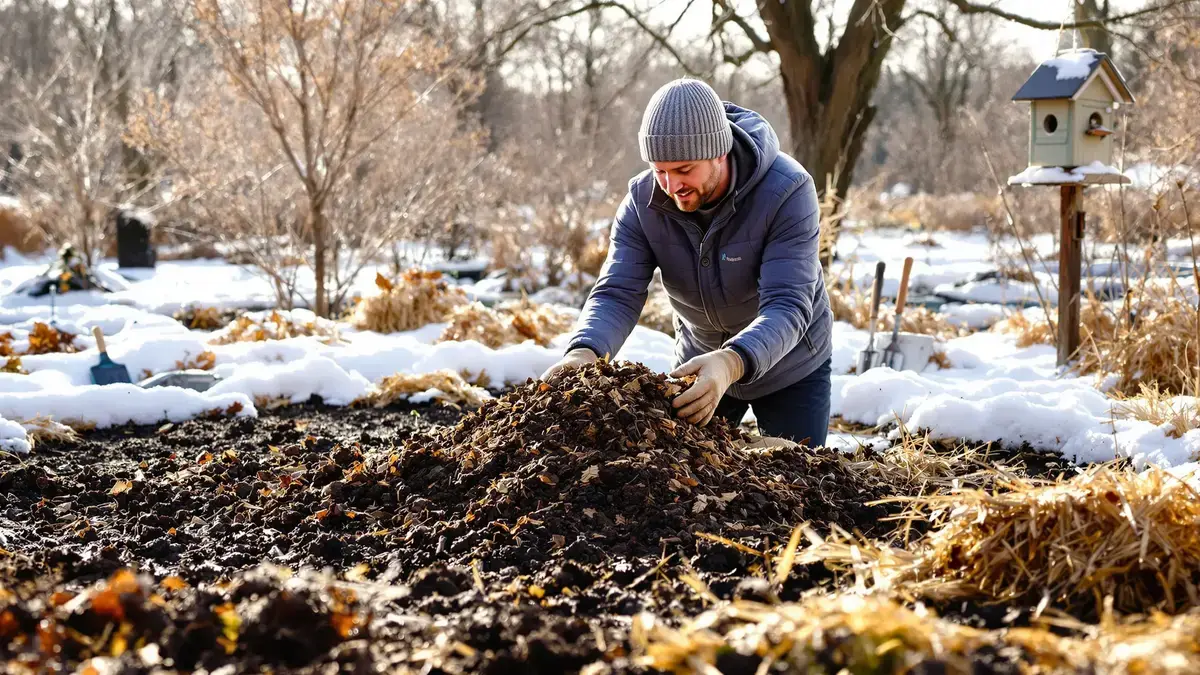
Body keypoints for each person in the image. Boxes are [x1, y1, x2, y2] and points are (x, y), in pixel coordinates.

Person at [541, 78, 832, 447]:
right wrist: (585, 351)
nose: (671, 185)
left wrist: (731, 362)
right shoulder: (642, 204)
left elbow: (788, 304)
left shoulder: (787, 191)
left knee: (800, 474)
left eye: (683, 170)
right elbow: (617, 293)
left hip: (790, 365)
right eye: (659, 170)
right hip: (699, 366)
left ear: (720, 151)